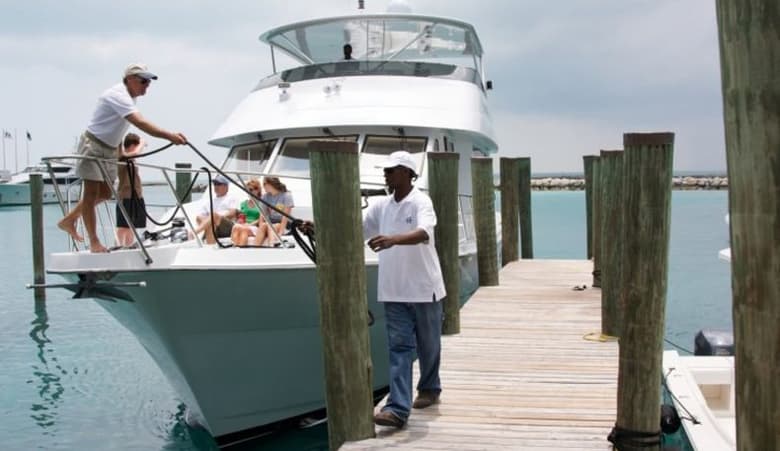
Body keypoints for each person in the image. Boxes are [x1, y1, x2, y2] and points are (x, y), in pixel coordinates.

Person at [299, 150, 446, 429]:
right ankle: (397, 409)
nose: (386, 174)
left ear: (407, 172)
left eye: (391, 170)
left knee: (429, 346)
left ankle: (429, 388)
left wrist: (393, 239)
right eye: (386, 170)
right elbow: (354, 231)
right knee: (399, 348)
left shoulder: (420, 201)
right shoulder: (381, 206)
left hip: (424, 288)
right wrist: (319, 228)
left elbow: (425, 232)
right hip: (392, 291)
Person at [57, 63, 187, 253]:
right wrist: (170, 136)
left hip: (109, 149)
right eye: (143, 81)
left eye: (149, 82)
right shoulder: (119, 95)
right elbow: (139, 122)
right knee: (91, 193)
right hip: (93, 146)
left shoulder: (130, 98)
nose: (147, 85)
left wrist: (121, 153)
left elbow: (117, 126)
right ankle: (94, 242)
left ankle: (69, 219)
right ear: (130, 80)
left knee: (105, 194)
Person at [115, 133, 146, 247]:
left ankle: (129, 246)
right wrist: (142, 143)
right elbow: (136, 152)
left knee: (132, 225)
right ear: (133, 145)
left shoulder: (132, 159)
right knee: (123, 225)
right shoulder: (122, 156)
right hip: (126, 195)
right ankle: (119, 245)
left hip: (136, 195)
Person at [192, 174, 242, 244]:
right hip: (215, 225)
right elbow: (199, 218)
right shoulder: (209, 201)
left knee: (214, 216)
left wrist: (217, 218)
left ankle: (193, 233)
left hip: (228, 227)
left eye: (218, 184)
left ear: (226, 187)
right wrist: (212, 220)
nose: (216, 186)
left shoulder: (231, 198)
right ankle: (209, 250)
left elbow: (232, 213)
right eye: (215, 184)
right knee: (206, 221)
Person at [256, 177, 294, 246]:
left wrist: (281, 232)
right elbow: (262, 215)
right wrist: (260, 226)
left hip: (284, 223)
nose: (263, 186)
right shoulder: (265, 197)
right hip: (271, 221)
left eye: (264, 184)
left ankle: (272, 246)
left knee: (272, 226)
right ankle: (255, 249)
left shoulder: (286, 195)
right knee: (264, 225)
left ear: (270, 184)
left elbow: (285, 216)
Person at [230, 178, 266, 246]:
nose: (248, 192)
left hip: (255, 227)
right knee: (236, 227)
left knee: (244, 229)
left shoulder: (262, 203)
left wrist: (249, 224)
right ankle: (235, 249)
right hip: (244, 225)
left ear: (257, 190)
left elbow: (261, 219)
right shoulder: (243, 203)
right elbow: (241, 217)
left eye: (251, 190)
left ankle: (239, 250)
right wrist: (240, 220)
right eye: (247, 190)